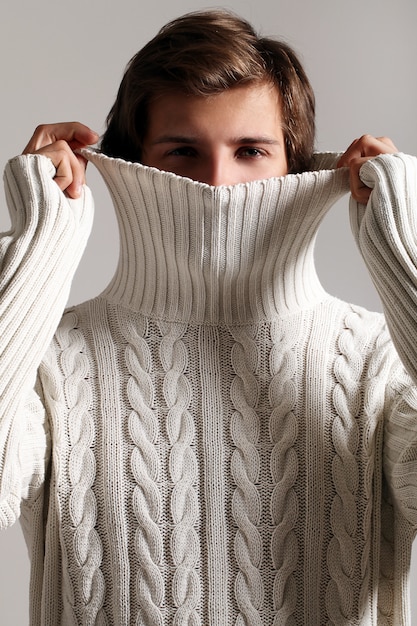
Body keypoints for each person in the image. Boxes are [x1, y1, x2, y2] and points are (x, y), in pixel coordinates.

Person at [1, 8, 417, 626]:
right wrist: (35, 250)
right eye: (182, 152)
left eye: (250, 150)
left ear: (297, 166)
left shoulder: (378, 358)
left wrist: (403, 252)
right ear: (133, 159)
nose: (218, 183)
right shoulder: (48, 358)